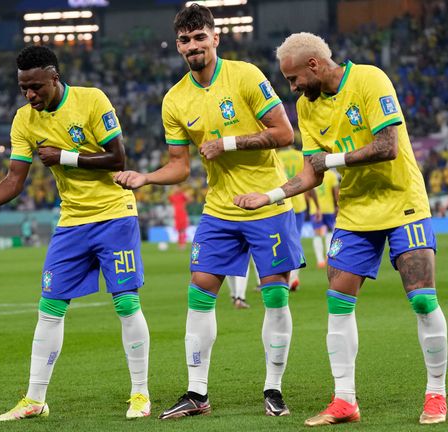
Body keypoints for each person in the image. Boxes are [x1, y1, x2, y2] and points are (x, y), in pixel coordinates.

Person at [235, 32, 448, 426]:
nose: (292, 87)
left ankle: (436, 393)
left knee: (421, 300)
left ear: (313, 65)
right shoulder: (306, 106)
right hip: (354, 213)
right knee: (337, 303)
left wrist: (333, 160)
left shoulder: (370, 80)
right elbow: (311, 173)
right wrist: (269, 196)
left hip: (403, 203)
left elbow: (388, 146)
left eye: (294, 78)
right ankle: (345, 400)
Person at [115, 4, 302, 419]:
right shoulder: (175, 99)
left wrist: (228, 144)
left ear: (215, 38)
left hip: (267, 203)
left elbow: (285, 134)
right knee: (199, 290)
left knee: (273, 294)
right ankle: (197, 392)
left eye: (200, 37)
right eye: (185, 40)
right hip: (219, 209)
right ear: (178, 46)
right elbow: (180, 166)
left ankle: (273, 388)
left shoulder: (247, 76)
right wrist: (146, 177)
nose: (193, 45)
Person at [0, 45, 151, 420]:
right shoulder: (24, 120)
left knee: (125, 302)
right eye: (24, 88)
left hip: (113, 214)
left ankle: (140, 394)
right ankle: (35, 400)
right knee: (50, 306)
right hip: (71, 221)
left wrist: (66, 157)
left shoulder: (91, 100)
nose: (30, 95)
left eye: (37, 87)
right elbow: (14, 180)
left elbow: (118, 158)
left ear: (54, 78)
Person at [276, 145, 311, 289]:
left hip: (281, 203)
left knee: (279, 243)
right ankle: (293, 279)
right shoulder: (299, 155)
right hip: (299, 203)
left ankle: (279, 279)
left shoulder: (276, 155)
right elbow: (308, 176)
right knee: (295, 242)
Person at [309, 169, 339, 268]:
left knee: (317, 234)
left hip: (315, 209)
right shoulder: (332, 175)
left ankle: (320, 260)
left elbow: (308, 192)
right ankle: (328, 255)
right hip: (329, 208)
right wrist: (337, 206)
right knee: (330, 231)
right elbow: (336, 193)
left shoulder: (313, 173)